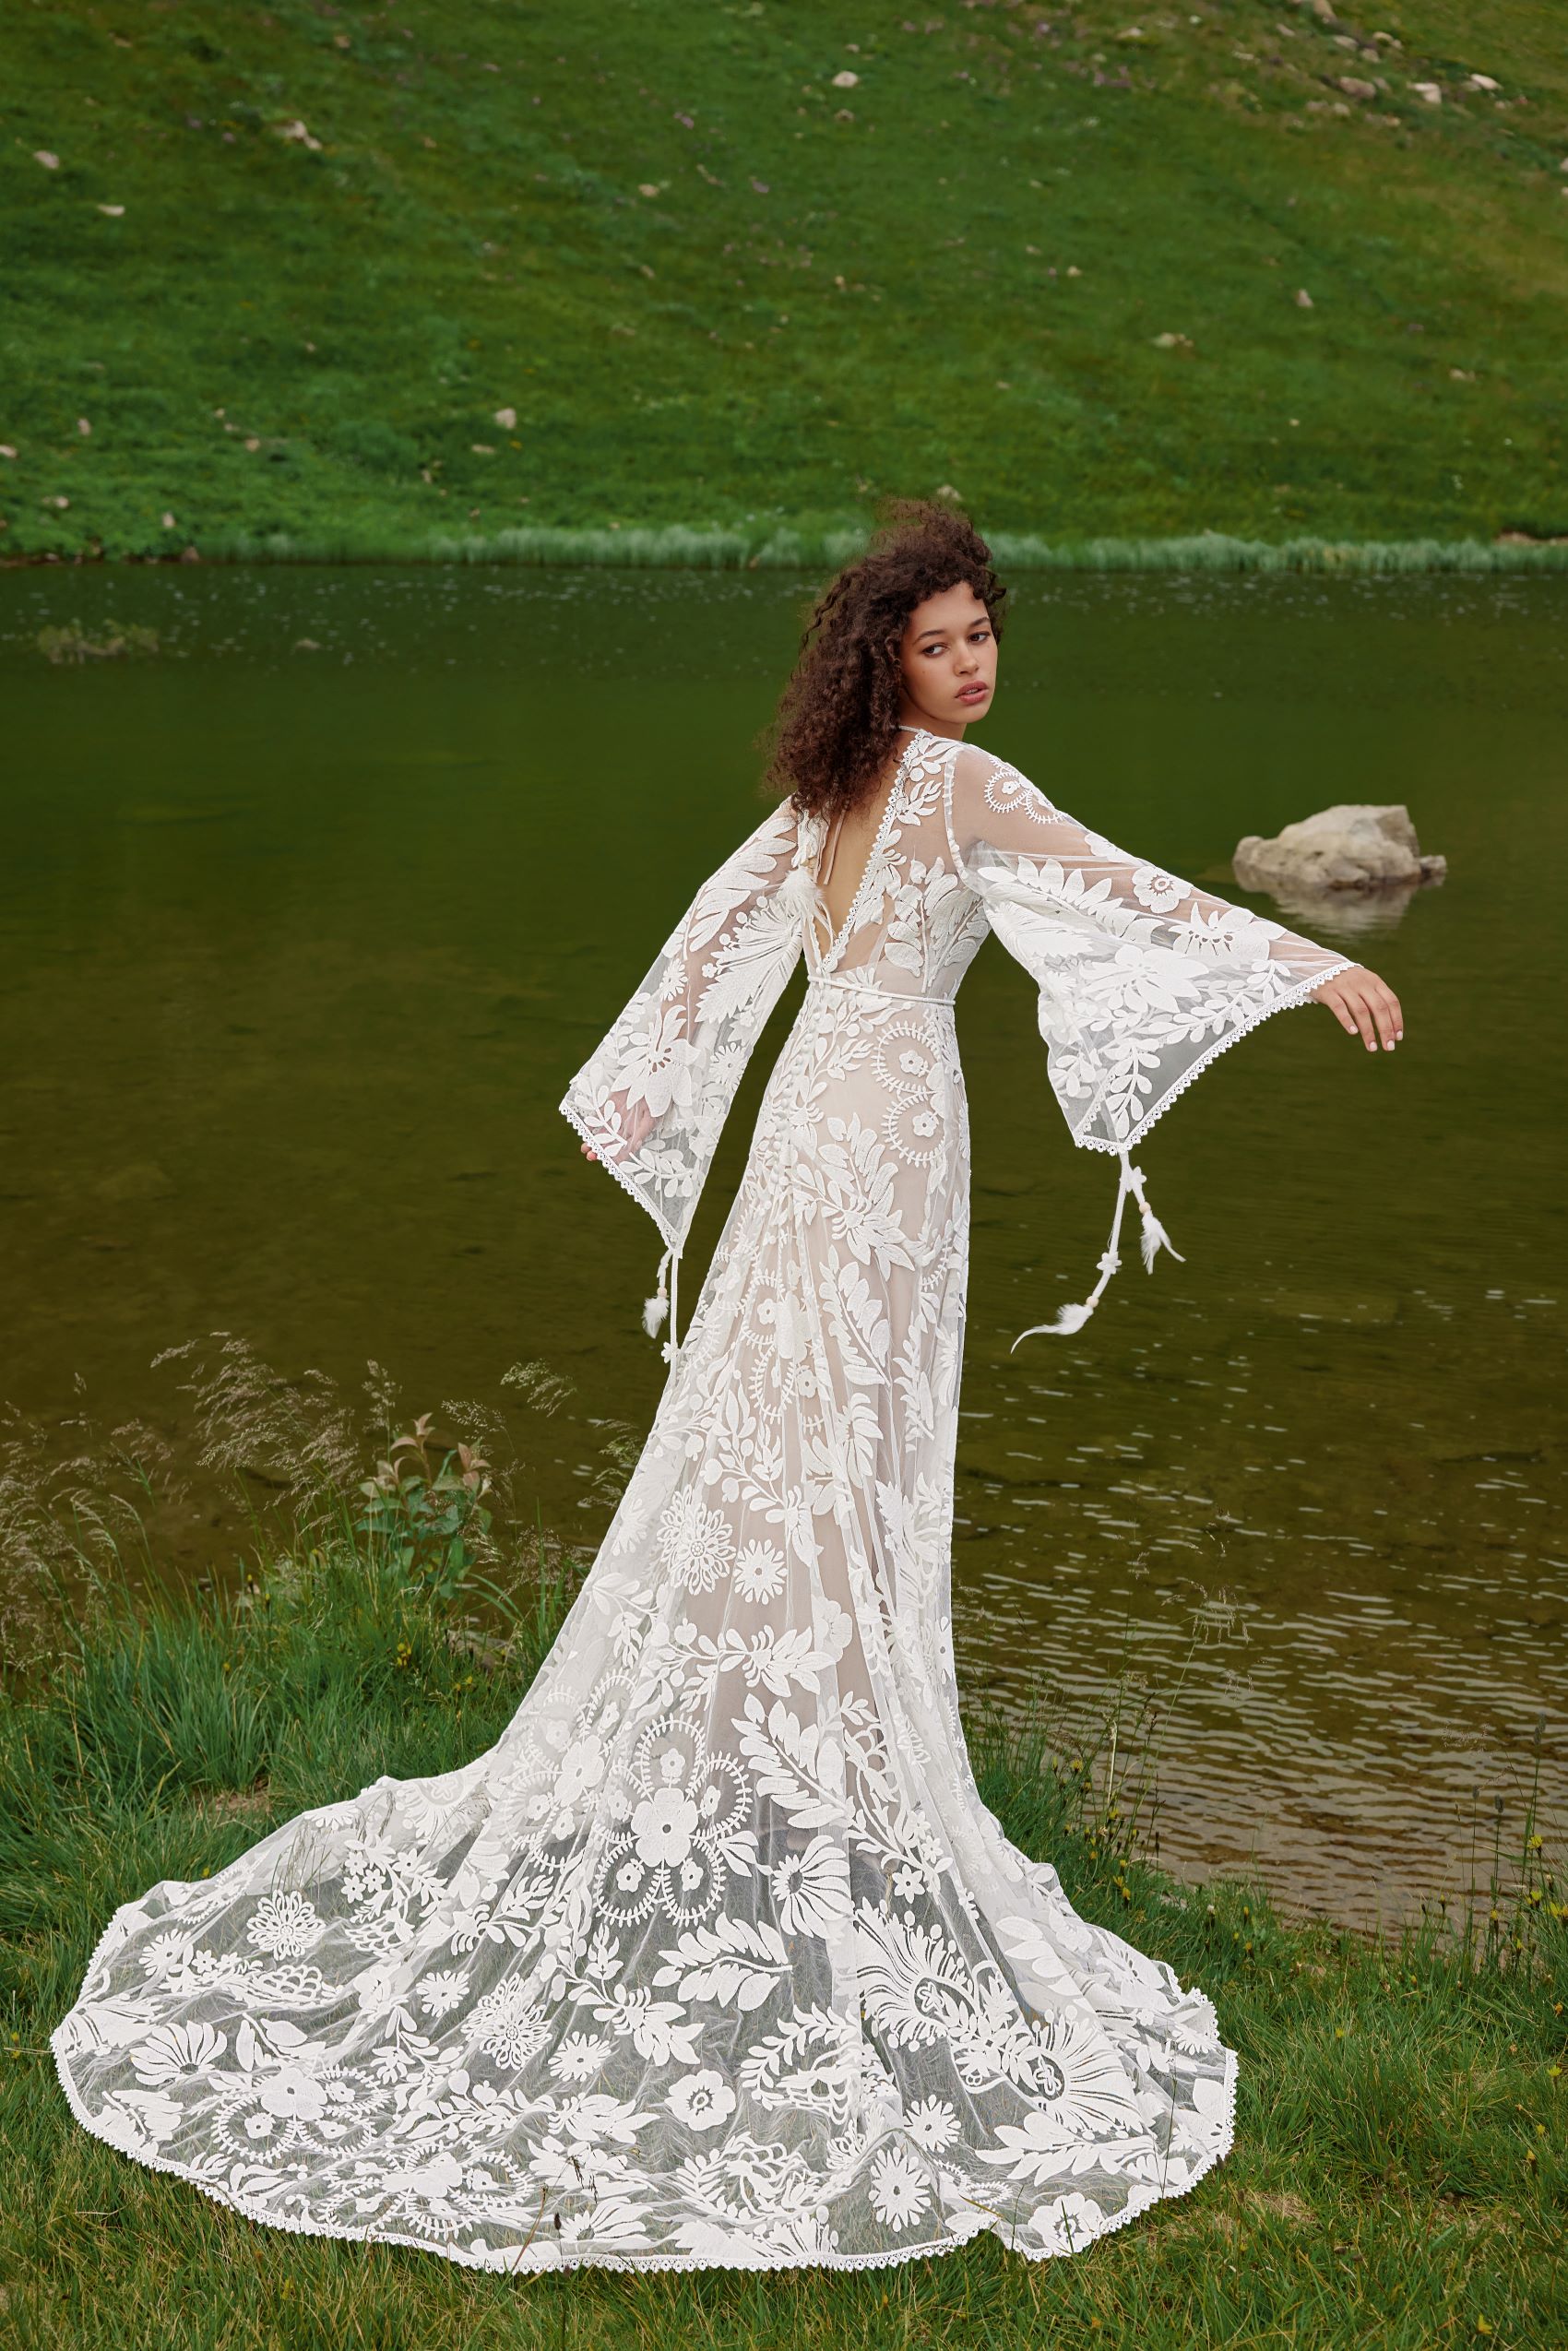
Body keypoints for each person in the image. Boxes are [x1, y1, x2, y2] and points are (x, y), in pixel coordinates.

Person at [53, 505, 1400, 2275]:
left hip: (807, 1119)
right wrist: (1311, 958)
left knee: (789, 1433)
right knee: (846, 1440)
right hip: (889, 1134)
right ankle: (833, 1770)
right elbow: (1121, 891)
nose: (974, 664)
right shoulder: (958, 789)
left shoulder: (828, 790)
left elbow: (716, 945)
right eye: (940, 643)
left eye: (984, 632)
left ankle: (801, 1754)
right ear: (885, 662)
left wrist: (637, 1096)